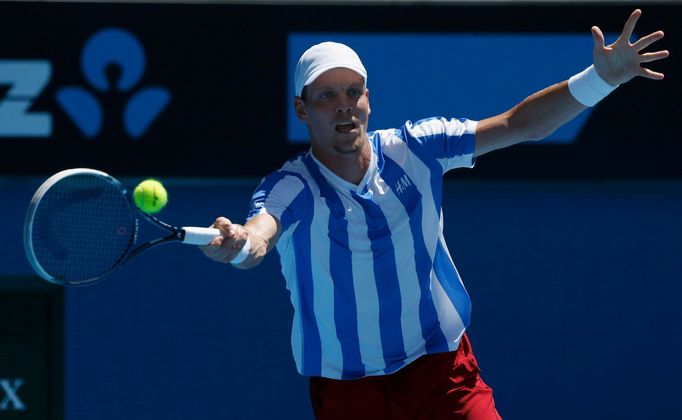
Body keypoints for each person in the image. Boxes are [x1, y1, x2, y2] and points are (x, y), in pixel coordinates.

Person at [201, 9, 668, 419]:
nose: (344, 105)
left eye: (353, 92)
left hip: (442, 370)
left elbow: (518, 124)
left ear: (369, 98)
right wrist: (241, 244)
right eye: (326, 96)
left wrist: (602, 79)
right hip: (347, 388)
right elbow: (259, 237)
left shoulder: (417, 147)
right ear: (302, 109)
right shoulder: (290, 186)